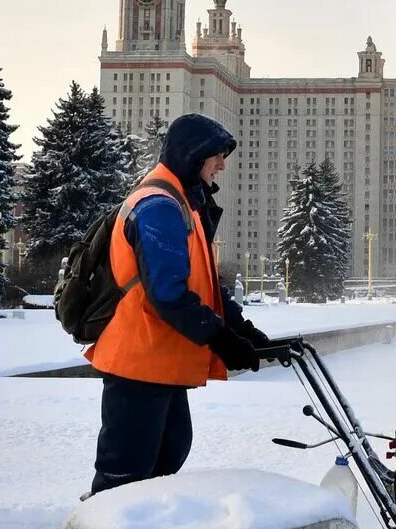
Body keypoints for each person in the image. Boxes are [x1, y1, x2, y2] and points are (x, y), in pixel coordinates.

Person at [85, 112, 272, 494]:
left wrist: (242, 330)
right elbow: (168, 293)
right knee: (125, 475)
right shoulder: (158, 206)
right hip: (138, 362)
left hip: (160, 362)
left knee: (167, 457)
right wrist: (220, 339)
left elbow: (205, 287)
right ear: (192, 154)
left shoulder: (182, 204)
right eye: (216, 155)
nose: (222, 164)